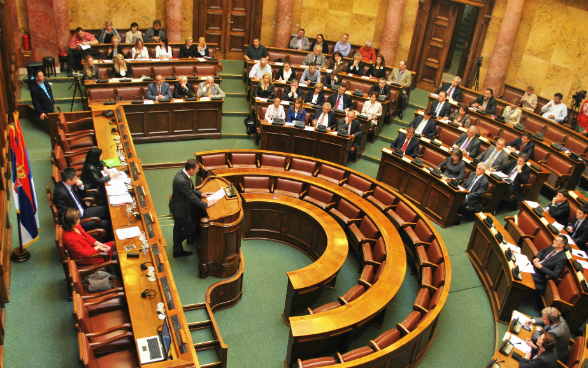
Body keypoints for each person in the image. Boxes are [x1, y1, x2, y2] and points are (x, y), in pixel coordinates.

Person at [169, 159, 217, 257]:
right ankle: (177, 245)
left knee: (177, 227)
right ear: (191, 169)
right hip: (180, 210)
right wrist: (206, 204)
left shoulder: (184, 174)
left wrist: (202, 194)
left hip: (177, 206)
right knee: (190, 229)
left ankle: (177, 250)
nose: (198, 171)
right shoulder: (182, 180)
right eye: (197, 169)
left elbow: (190, 189)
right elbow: (191, 197)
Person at [53, 167, 110, 232]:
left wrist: (80, 186)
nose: (77, 179)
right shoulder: (61, 194)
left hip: (82, 211)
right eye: (75, 178)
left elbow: (80, 196)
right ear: (69, 180)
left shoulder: (67, 184)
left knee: (106, 209)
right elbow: (64, 215)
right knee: (106, 223)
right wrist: (78, 221)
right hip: (77, 220)